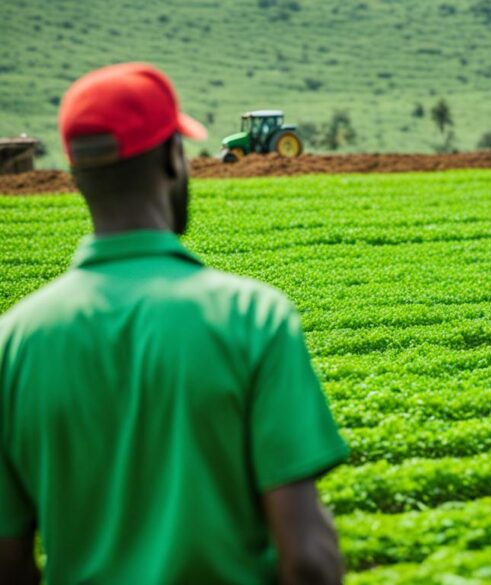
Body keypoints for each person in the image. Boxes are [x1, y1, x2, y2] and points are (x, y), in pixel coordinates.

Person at [0, 63, 348, 585]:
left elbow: (7, 563)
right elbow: (307, 560)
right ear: (171, 159)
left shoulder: (14, 343)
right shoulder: (252, 318)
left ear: (76, 177)